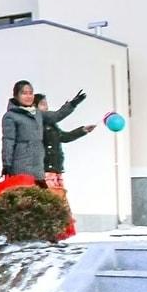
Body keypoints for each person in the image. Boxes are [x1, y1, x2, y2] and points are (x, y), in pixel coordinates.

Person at [1, 82, 85, 182]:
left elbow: (56, 116)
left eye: (30, 93)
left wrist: (72, 104)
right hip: (20, 165)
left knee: (40, 191)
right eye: (24, 93)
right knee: (25, 191)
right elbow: (8, 141)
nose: (28, 96)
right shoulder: (11, 116)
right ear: (16, 95)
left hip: (38, 166)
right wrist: (7, 164)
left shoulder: (37, 113)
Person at [38, 93, 94, 237]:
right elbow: (58, 115)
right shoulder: (38, 123)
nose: (46, 107)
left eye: (46, 104)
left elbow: (64, 137)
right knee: (52, 201)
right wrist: (73, 103)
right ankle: (49, 233)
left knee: (59, 200)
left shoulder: (50, 124)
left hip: (56, 168)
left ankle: (57, 234)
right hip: (46, 169)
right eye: (42, 104)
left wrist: (83, 130)